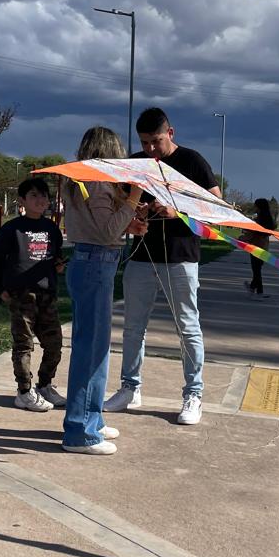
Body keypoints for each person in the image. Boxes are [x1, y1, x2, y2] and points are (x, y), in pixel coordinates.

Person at [104, 107, 220, 427]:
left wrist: (177, 210)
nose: (151, 149)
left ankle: (193, 394)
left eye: (156, 141)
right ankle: (130, 388)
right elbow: (118, 203)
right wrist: (135, 213)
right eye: (145, 143)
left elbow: (215, 206)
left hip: (181, 257)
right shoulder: (136, 162)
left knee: (187, 327)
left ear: (171, 133)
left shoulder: (193, 161)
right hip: (142, 256)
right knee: (132, 327)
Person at [62, 126, 146, 456]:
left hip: (96, 262)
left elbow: (105, 226)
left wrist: (130, 221)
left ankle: (90, 419)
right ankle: (80, 431)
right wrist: (134, 198)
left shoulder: (85, 181)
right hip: (95, 263)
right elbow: (106, 229)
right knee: (91, 350)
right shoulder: (95, 181)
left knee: (96, 347)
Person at [0, 176, 65, 412]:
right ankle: (24, 391)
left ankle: (45, 385)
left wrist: (58, 267)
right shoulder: (11, 229)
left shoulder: (52, 228)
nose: (40, 200)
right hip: (21, 295)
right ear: (22, 200)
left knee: (54, 344)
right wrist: (0, 289)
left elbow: (55, 258)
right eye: (33, 196)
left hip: (46, 294)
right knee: (24, 345)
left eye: (43, 195)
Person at [243, 198, 277, 296]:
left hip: (255, 247)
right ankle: (254, 288)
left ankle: (257, 290)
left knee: (256, 270)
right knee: (257, 269)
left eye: (255, 205)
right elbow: (272, 228)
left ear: (258, 207)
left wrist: (243, 238)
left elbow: (251, 233)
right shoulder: (269, 220)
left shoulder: (258, 221)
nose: (254, 207)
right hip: (264, 247)